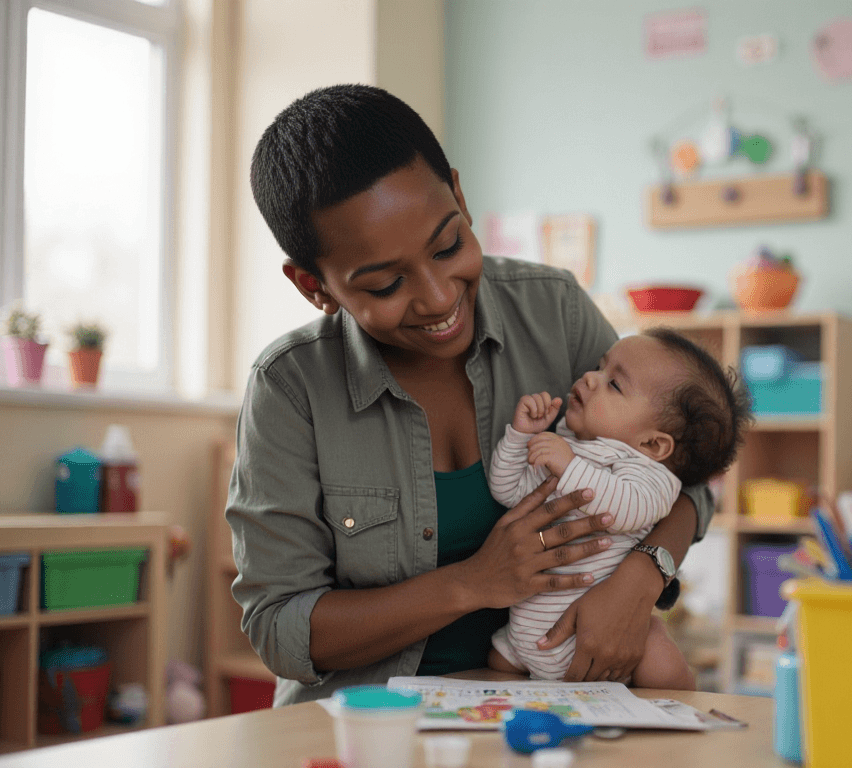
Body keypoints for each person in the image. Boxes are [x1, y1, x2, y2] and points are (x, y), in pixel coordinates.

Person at [226, 84, 715, 706]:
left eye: (448, 245)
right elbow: (280, 626)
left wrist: (640, 580)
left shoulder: (553, 310)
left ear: (458, 195)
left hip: (550, 712)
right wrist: (473, 583)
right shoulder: (290, 387)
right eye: (384, 283)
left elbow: (683, 475)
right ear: (312, 286)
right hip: (369, 723)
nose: (436, 298)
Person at [486, 328, 751, 687]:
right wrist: (519, 438)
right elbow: (509, 491)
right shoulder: (565, 442)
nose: (590, 378)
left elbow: (627, 511)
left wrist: (569, 466)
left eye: (614, 385)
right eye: (599, 367)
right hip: (524, 640)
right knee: (493, 667)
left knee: (660, 663)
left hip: (601, 642)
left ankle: (685, 721)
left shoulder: (649, 475)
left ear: (654, 444)